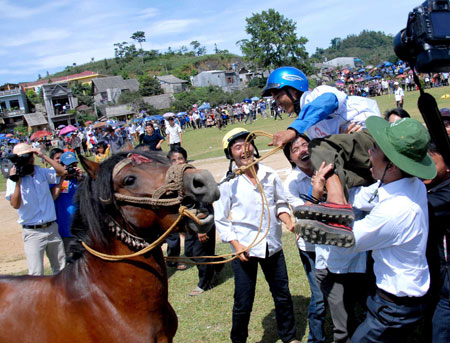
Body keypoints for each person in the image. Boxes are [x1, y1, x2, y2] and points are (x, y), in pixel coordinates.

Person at [300, 117, 437, 343]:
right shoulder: (408, 185)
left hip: (395, 308)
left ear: (392, 165)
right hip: (392, 299)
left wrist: (323, 195)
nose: (369, 154)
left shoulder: (396, 211)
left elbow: (340, 236)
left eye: (374, 149)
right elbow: (363, 196)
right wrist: (335, 180)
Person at [214, 128, 299, 343]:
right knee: (243, 301)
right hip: (245, 249)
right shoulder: (228, 183)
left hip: (273, 245)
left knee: (282, 295)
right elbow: (221, 219)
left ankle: (289, 337)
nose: (245, 150)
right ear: (230, 154)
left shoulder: (269, 174)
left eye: (248, 143)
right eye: (238, 147)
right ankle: (238, 340)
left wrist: (287, 220)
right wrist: (235, 244)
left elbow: (280, 202)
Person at [263, 66, 381, 145]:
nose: (277, 103)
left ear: (293, 92)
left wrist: (292, 130)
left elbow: (327, 102)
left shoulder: (318, 93)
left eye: (278, 97)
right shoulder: (310, 128)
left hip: (373, 136)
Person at [283, 133, 326, 343]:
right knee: (319, 298)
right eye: (295, 149)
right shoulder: (291, 183)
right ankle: (315, 339)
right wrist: (316, 192)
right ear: (291, 158)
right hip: (311, 246)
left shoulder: (326, 166)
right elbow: (303, 215)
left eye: (305, 144)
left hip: (336, 242)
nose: (302, 150)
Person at [167, 146, 223, 296]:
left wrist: (201, 229)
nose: (177, 162)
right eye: (173, 160)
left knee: (200, 254)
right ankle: (218, 263)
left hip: (202, 222)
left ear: (186, 159)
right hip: (189, 225)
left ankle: (205, 283)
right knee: (191, 252)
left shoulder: (194, 178)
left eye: (180, 159)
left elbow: (204, 204)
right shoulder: (172, 182)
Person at [5, 143, 67, 276]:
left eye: (30, 155)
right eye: (26, 157)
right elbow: (15, 204)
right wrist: (18, 182)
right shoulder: (13, 179)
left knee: (61, 270)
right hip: (32, 232)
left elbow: (62, 172)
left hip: (51, 229)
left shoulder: (41, 172)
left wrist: (43, 155)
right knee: (36, 274)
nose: (30, 159)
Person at [422, 141, 450, 343]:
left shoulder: (446, 194)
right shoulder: (431, 187)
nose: (424, 169)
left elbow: (419, 210)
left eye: (431, 162)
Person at [50, 150, 83, 255]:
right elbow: (53, 197)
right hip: (64, 228)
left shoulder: (80, 179)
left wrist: (81, 179)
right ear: (62, 165)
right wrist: (62, 177)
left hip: (81, 228)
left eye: (74, 165)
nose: (71, 168)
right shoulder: (55, 180)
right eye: (69, 165)